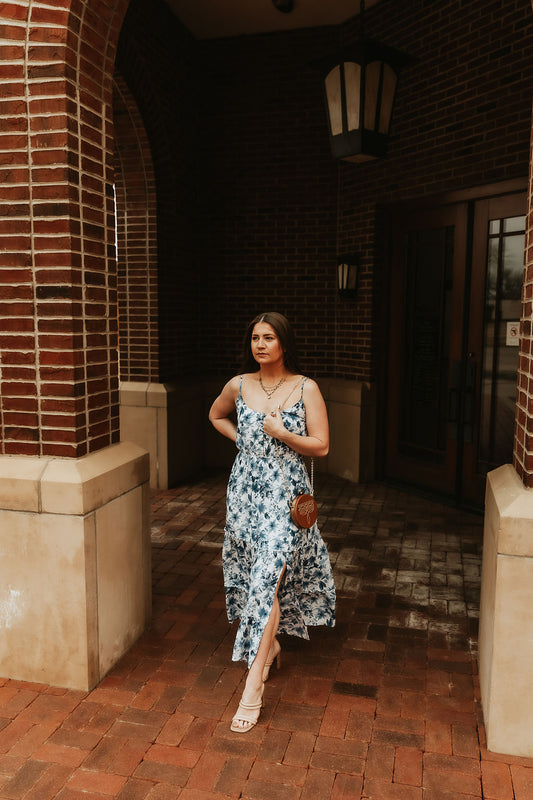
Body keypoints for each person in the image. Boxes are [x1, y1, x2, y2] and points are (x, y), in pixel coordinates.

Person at [209, 311, 336, 733]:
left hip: (285, 497)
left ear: (284, 343)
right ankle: (272, 647)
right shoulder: (238, 384)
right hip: (245, 495)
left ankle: (252, 688)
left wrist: (283, 436)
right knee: (256, 583)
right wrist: (245, 440)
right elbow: (216, 416)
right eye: (255, 338)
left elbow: (321, 446)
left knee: (266, 582)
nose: (260, 345)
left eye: (268, 338)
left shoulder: (305, 387)